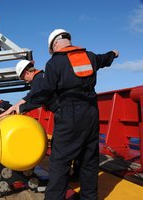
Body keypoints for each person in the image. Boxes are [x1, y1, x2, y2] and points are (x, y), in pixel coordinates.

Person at [20, 29, 119, 199]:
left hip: (68, 115)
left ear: (55, 44)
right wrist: (114, 53)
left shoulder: (54, 63)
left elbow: (45, 93)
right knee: (89, 161)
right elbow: (105, 59)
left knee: (60, 162)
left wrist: (23, 107)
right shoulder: (90, 56)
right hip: (91, 113)